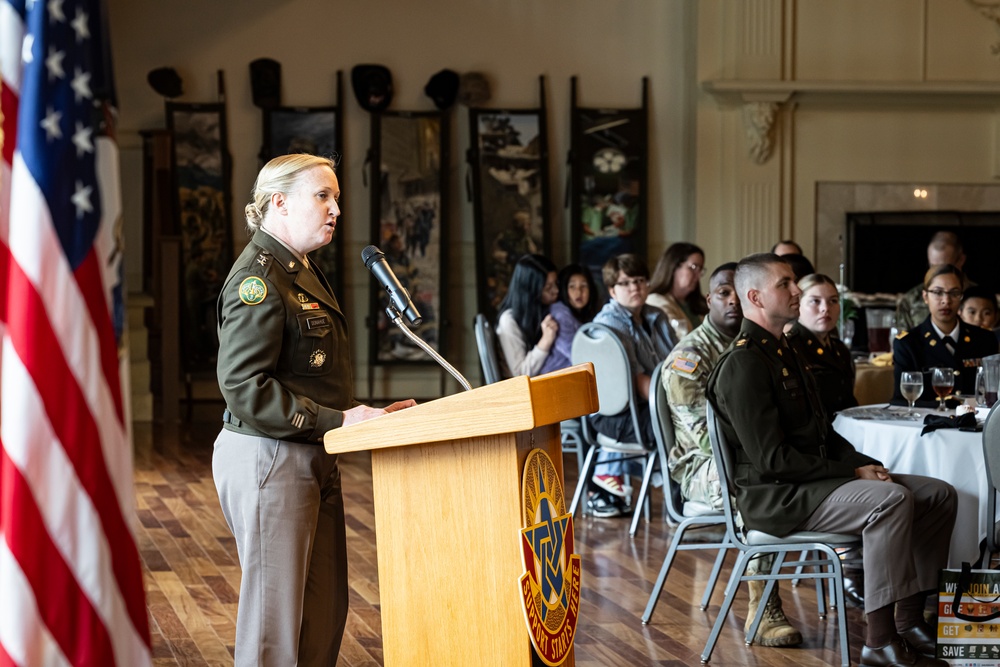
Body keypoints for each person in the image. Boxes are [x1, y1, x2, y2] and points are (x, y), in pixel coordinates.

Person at [213, 154, 416, 666]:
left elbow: (307, 374)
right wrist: (341, 421)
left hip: (311, 452)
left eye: (337, 198)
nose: (335, 209)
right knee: (274, 626)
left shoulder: (300, 269)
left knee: (322, 613)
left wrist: (363, 414)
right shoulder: (257, 280)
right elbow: (244, 386)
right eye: (322, 196)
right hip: (270, 457)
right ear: (278, 202)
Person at [708, 253, 957, 667]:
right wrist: (852, 471)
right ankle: (879, 641)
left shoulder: (785, 349)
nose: (796, 290)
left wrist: (867, 463)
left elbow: (824, 435)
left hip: (812, 485)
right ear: (754, 296)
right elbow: (772, 461)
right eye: (785, 284)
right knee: (890, 502)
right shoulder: (745, 362)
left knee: (938, 494)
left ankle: (911, 621)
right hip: (777, 498)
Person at [663, 263, 803, 647]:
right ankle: (763, 608)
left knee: (784, 467)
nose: (732, 300)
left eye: (735, 293)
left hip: (752, 454)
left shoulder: (763, 346)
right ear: (709, 300)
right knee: (759, 479)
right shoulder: (688, 358)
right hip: (701, 468)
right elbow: (706, 440)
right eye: (723, 293)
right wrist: (767, 452)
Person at [587, 253, 677, 517]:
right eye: (625, 283)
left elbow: (675, 361)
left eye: (639, 280)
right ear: (612, 290)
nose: (635, 287)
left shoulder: (655, 315)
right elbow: (639, 382)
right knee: (681, 424)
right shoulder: (610, 323)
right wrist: (679, 404)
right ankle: (680, 505)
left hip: (647, 404)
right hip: (615, 414)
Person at [892, 264, 998, 406]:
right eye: (938, 292)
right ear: (925, 296)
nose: (946, 301)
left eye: (954, 293)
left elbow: (994, 394)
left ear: (961, 297)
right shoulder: (908, 343)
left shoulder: (984, 339)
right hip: (927, 424)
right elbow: (902, 400)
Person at [787, 273, 858, 418]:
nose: (825, 308)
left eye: (833, 301)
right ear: (797, 304)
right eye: (815, 301)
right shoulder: (790, 347)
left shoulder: (840, 349)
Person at [494, 254, 560, 378]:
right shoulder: (508, 321)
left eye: (556, 283)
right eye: (548, 287)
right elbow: (520, 373)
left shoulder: (544, 310)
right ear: (531, 290)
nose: (556, 290)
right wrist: (546, 340)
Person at [895, 231, 967, 332]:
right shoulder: (911, 300)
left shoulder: (978, 298)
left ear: (961, 260)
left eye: (944, 267)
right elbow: (900, 342)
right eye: (932, 266)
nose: (937, 272)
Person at [539, 263, 600, 374]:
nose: (578, 292)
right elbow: (577, 355)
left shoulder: (584, 316)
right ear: (564, 289)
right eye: (572, 286)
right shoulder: (560, 314)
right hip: (553, 380)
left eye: (583, 286)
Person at [646, 242, 709, 338]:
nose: (698, 274)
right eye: (694, 267)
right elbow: (677, 338)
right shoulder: (655, 300)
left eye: (700, 269)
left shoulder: (697, 302)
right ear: (674, 266)